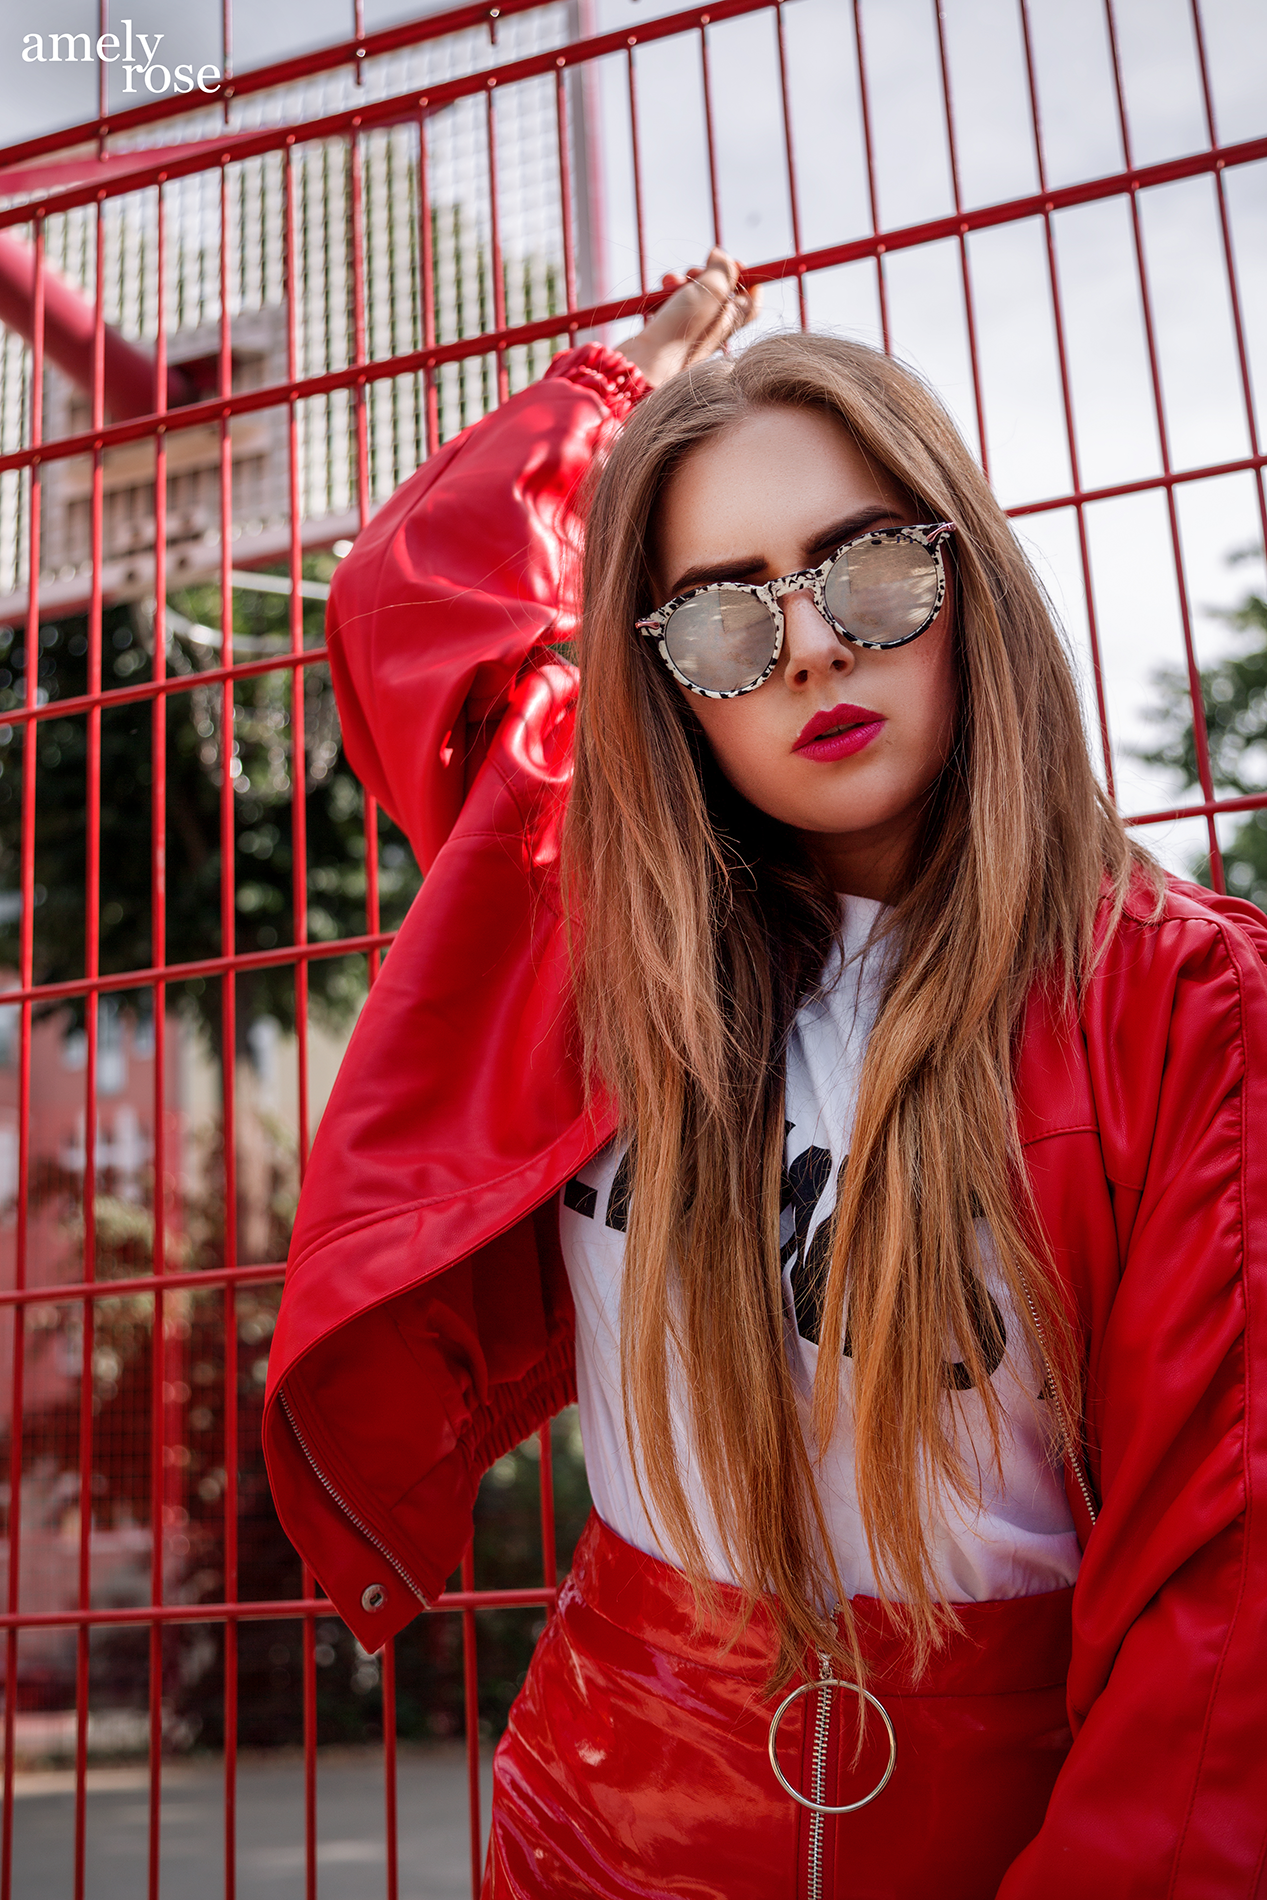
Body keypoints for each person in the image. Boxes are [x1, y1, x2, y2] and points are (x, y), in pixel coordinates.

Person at [263, 250, 1267, 1898]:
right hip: (592, 1810)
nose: (805, 649)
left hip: (989, 1821)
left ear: (969, 578)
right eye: (724, 616)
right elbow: (406, 599)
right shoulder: (580, 911)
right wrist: (610, 394)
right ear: (664, 678)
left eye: (865, 573)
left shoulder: (1178, 1011)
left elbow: (1219, 1616)